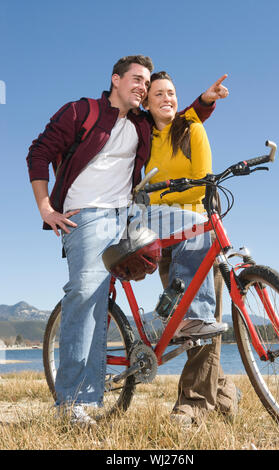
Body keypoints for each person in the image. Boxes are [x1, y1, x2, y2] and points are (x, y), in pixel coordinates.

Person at [26, 55, 227, 428]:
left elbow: (175, 114)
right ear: (115, 80)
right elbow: (38, 153)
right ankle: (72, 403)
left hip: (133, 214)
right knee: (87, 293)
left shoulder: (141, 122)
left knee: (196, 226)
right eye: (136, 80)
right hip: (88, 215)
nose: (141, 87)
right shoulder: (81, 111)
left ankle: (179, 322)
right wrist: (45, 208)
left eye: (145, 82)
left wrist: (204, 102)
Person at [144, 71, 238, 426]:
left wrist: (165, 196)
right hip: (161, 239)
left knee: (202, 320)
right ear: (146, 101)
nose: (166, 98)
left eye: (171, 92)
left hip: (195, 232)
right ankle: (226, 394)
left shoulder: (191, 128)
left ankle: (194, 404)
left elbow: (201, 184)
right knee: (184, 323)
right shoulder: (143, 135)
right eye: (158, 94)